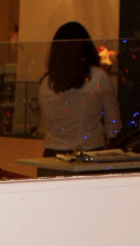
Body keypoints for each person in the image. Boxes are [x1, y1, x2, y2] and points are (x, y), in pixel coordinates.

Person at [38, 21, 120, 154]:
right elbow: (113, 124)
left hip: (52, 153)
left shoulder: (46, 83)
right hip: (89, 152)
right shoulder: (98, 77)